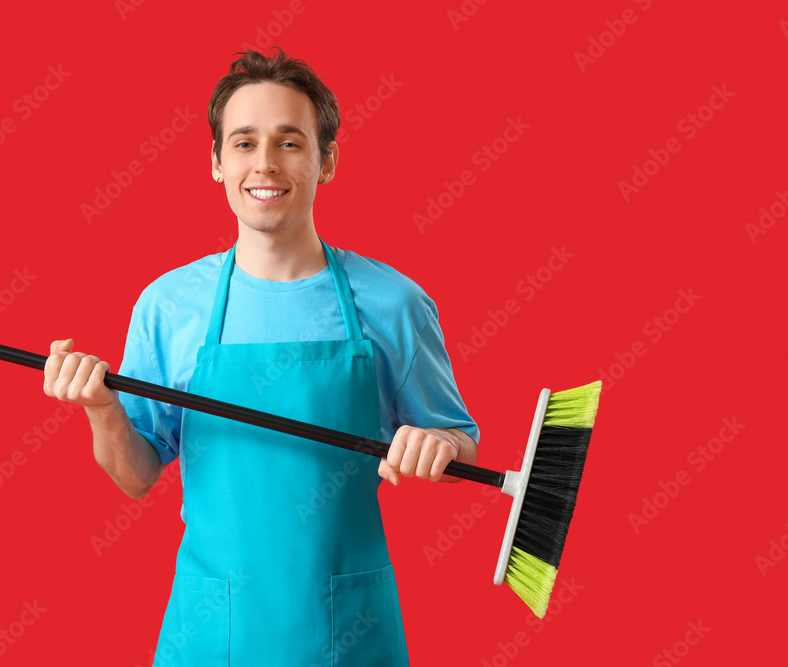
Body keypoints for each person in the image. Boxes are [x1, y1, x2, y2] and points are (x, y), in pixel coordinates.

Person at [42, 47, 479, 666]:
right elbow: (135, 475)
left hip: (348, 632)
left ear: (327, 160)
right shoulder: (168, 305)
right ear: (216, 163)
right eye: (243, 143)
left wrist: (442, 447)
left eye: (290, 142)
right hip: (212, 632)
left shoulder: (394, 302)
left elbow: (458, 436)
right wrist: (101, 408)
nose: (265, 164)